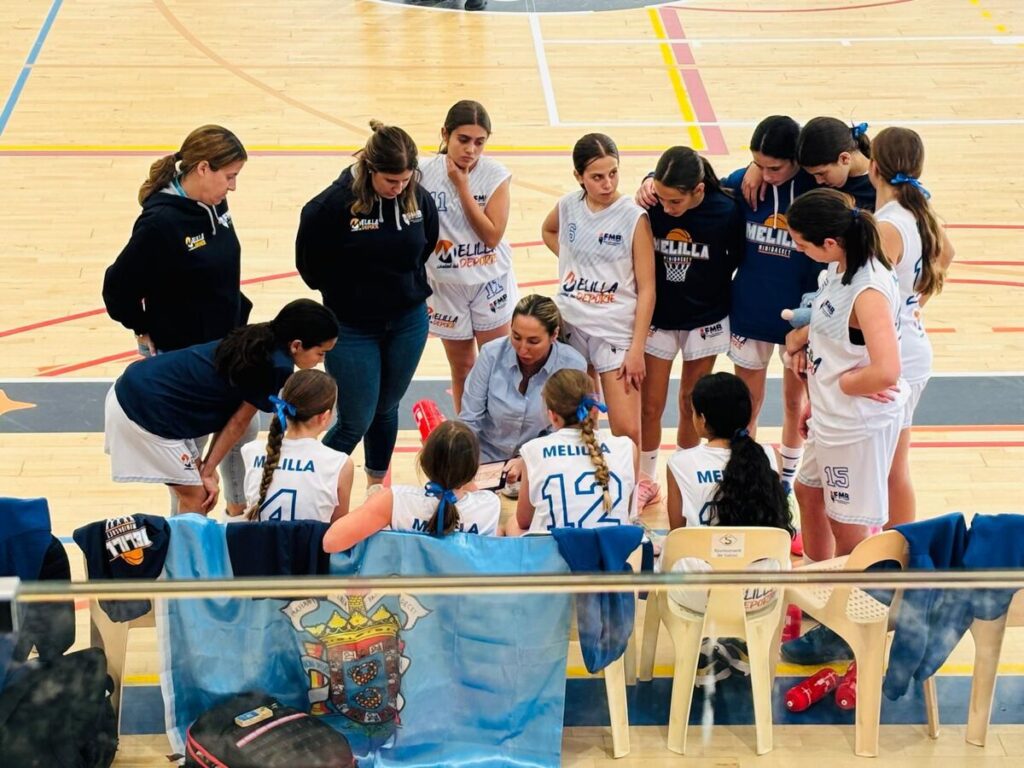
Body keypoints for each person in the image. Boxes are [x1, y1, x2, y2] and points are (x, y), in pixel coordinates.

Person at [103, 124, 256, 516]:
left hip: (227, 349)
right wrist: (145, 326)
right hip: (187, 363)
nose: (233, 187)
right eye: (230, 176)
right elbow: (117, 288)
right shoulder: (160, 224)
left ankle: (239, 521)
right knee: (193, 482)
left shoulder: (214, 205)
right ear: (203, 168)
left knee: (244, 438)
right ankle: (187, 553)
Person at [296, 120, 439, 497]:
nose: (400, 188)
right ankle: (303, 486)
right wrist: (354, 292)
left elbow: (424, 248)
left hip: (407, 322)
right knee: (354, 420)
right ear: (370, 169)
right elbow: (310, 268)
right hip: (352, 327)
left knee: (387, 408)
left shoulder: (416, 198)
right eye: (391, 181)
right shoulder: (329, 207)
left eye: (406, 179)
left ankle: (376, 488)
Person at [104, 299, 339, 514]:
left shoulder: (260, 334)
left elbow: (227, 412)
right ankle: (186, 560)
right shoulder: (277, 367)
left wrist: (207, 467)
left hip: (137, 385)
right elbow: (238, 421)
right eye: (321, 353)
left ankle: (186, 553)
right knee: (198, 498)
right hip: (146, 409)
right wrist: (206, 470)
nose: (321, 361)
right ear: (296, 345)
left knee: (199, 491)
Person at [784, 189, 907, 562]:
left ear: (830, 242)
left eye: (802, 245)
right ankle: (817, 589)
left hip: (855, 426)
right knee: (807, 492)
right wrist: (814, 392)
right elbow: (831, 328)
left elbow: (887, 370)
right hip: (831, 416)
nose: (799, 250)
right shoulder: (839, 268)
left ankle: (849, 613)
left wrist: (844, 385)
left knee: (849, 532)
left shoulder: (867, 290)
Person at [662, 372, 794, 681]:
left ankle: (706, 645)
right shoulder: (767, 457)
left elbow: (677, 533)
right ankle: (739, 642)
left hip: (701, 596)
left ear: (702, 420)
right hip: (762, 593)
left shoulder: (680, 464)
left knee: (671, 551)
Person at [635, 147, 742, 509]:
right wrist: (647, 182)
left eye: (675, 201)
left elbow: (737, 260)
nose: (667, 208)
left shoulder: (725, 211)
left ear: (698, 190)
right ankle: (647, 479)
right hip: (660, 318)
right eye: (662, 198)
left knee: (690, 403)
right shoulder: (652, 203)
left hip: (705, 319)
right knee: (650, 405)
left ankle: (685, 471)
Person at [541, 133, 655, 455]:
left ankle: (628, 502)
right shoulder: (567, 206)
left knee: (626, 431)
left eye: (613, 173)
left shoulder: (633, 216)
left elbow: (647, 289)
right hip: (572, 326)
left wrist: (637, 348)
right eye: (597, 177)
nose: (608, 183)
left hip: (614, 331)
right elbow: (548, 230)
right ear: (578, 177)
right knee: (578, 424)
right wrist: (573, 265)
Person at [870, 127, 956, 528]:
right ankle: (900, 550)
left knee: (884, 466)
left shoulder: (888, 226)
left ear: (873, 167)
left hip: (894, 354)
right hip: (913, 348)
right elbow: (947, 252)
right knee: (894, 465)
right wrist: (915, 302)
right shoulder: (918, 211)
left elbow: (870, 296)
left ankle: (888, 548)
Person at [419, 100, 517, 412]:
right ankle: (467, 437)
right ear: (445, 134)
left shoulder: (494, 175)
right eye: (463, 140)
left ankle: (498, 436)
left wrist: (462, 187)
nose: (471, 150)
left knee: (498, 368)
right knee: (462, 367)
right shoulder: (421, 173)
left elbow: (491, 235)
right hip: (445, 284)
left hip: (489, 282)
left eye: (480, 142)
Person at [458, 294, 587, 496]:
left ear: (554, 335)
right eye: (516, 337)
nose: (522, 349)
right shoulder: (490, 354)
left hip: (543, 459)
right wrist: (463, 466)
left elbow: (568, 430)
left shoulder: (573, 364)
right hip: (486, 462)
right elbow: (469, 419)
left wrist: (527, 459)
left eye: (533, 341)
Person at [322, 421, 501, 552]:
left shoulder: (395, 499)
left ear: (423, 461)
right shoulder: (490, 504)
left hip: (409, 599)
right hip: (464, 599)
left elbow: (331, 542)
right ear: (473, 469)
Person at [512, 369, 638, 535]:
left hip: (556, 557)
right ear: (594, 409)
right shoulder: (627, 447)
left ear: (552, 416)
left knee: (512, 525)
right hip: (611, 556)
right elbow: (624, 512)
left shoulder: (533, 449)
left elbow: (523, 520)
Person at [239, 369, 354, 523]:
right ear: (325, 417)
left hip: (260, 546)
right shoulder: (340, 464)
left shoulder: (251, 451)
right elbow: (338, 529)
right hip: (308, 547)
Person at [739, 118, 876, 211]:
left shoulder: (881, 187)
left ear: (844, 159)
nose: (817, 181)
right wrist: (756, 166)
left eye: (821, 174)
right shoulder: (816, 170)